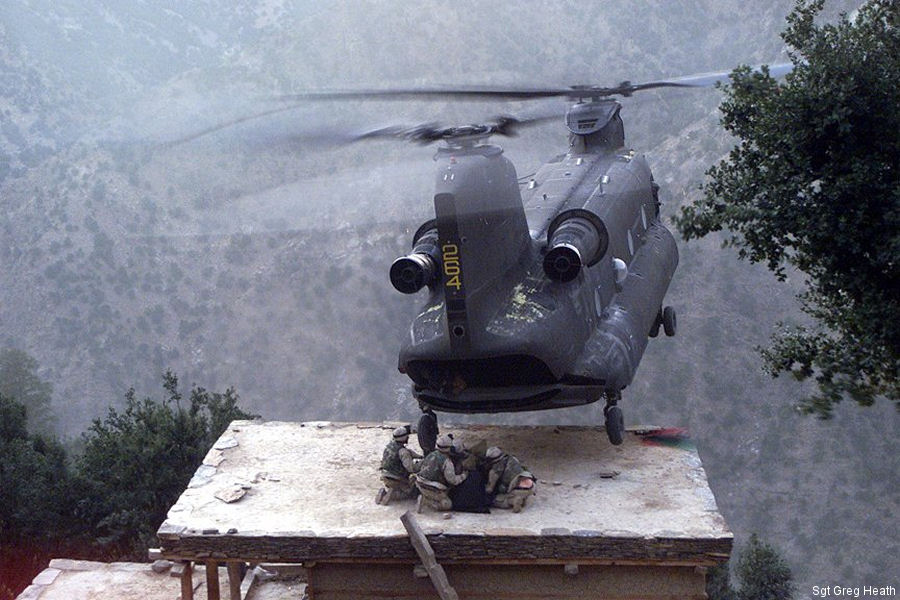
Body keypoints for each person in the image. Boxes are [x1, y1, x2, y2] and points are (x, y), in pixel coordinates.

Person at [415, 434, 468, 512]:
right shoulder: (446, 461)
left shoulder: (430, 454)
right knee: (448, 504)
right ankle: (427, 502)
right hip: (433, 488)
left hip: (420, 484)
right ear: (449, 448)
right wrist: (464, 476)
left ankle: (425, 497)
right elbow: (452, 481)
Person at [376, 426, 422, 505]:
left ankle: (386, 491)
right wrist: (421, 464)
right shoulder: (403, 451)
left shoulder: (390, 445)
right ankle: (391, 495)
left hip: (385, 476)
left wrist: (419, 456)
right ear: (404, 438)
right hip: (397, 478)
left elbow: (408, 452)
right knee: (411, 491)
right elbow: (411, 468)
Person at [484, 446, 536, 513]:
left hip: (518, 489)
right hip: (531, 484)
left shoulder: (495, 470)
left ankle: (513, 500)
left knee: (494, 499)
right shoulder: (513, 458)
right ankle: (523, 499)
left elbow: (489, 489)